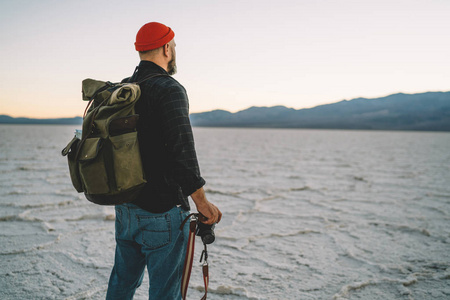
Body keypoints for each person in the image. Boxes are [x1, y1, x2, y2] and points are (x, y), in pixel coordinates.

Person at [106, 22, 222, 299]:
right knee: (164, 292)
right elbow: (182, 152)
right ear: (167, 48)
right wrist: (202, 203)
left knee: (122, 283)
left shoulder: (125, 88)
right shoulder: (169, 89)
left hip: (126, 206)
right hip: (162, 212)